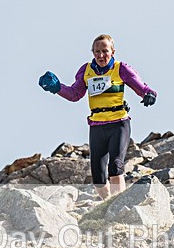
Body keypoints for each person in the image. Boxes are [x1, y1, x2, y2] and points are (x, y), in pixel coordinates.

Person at [38, 34, 157, 200]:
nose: (101, 55)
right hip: (97, 126)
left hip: (119, 124)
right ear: (92, 52)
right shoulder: (86, 70)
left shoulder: (121, 68)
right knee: (98, 177)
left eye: (105, 51)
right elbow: (75, 94)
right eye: (97, 51)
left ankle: (118, 204)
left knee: (115, 166)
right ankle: (107, 204)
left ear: (113, 51)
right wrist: (57, 88)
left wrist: (149, 94)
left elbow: (141, 87)